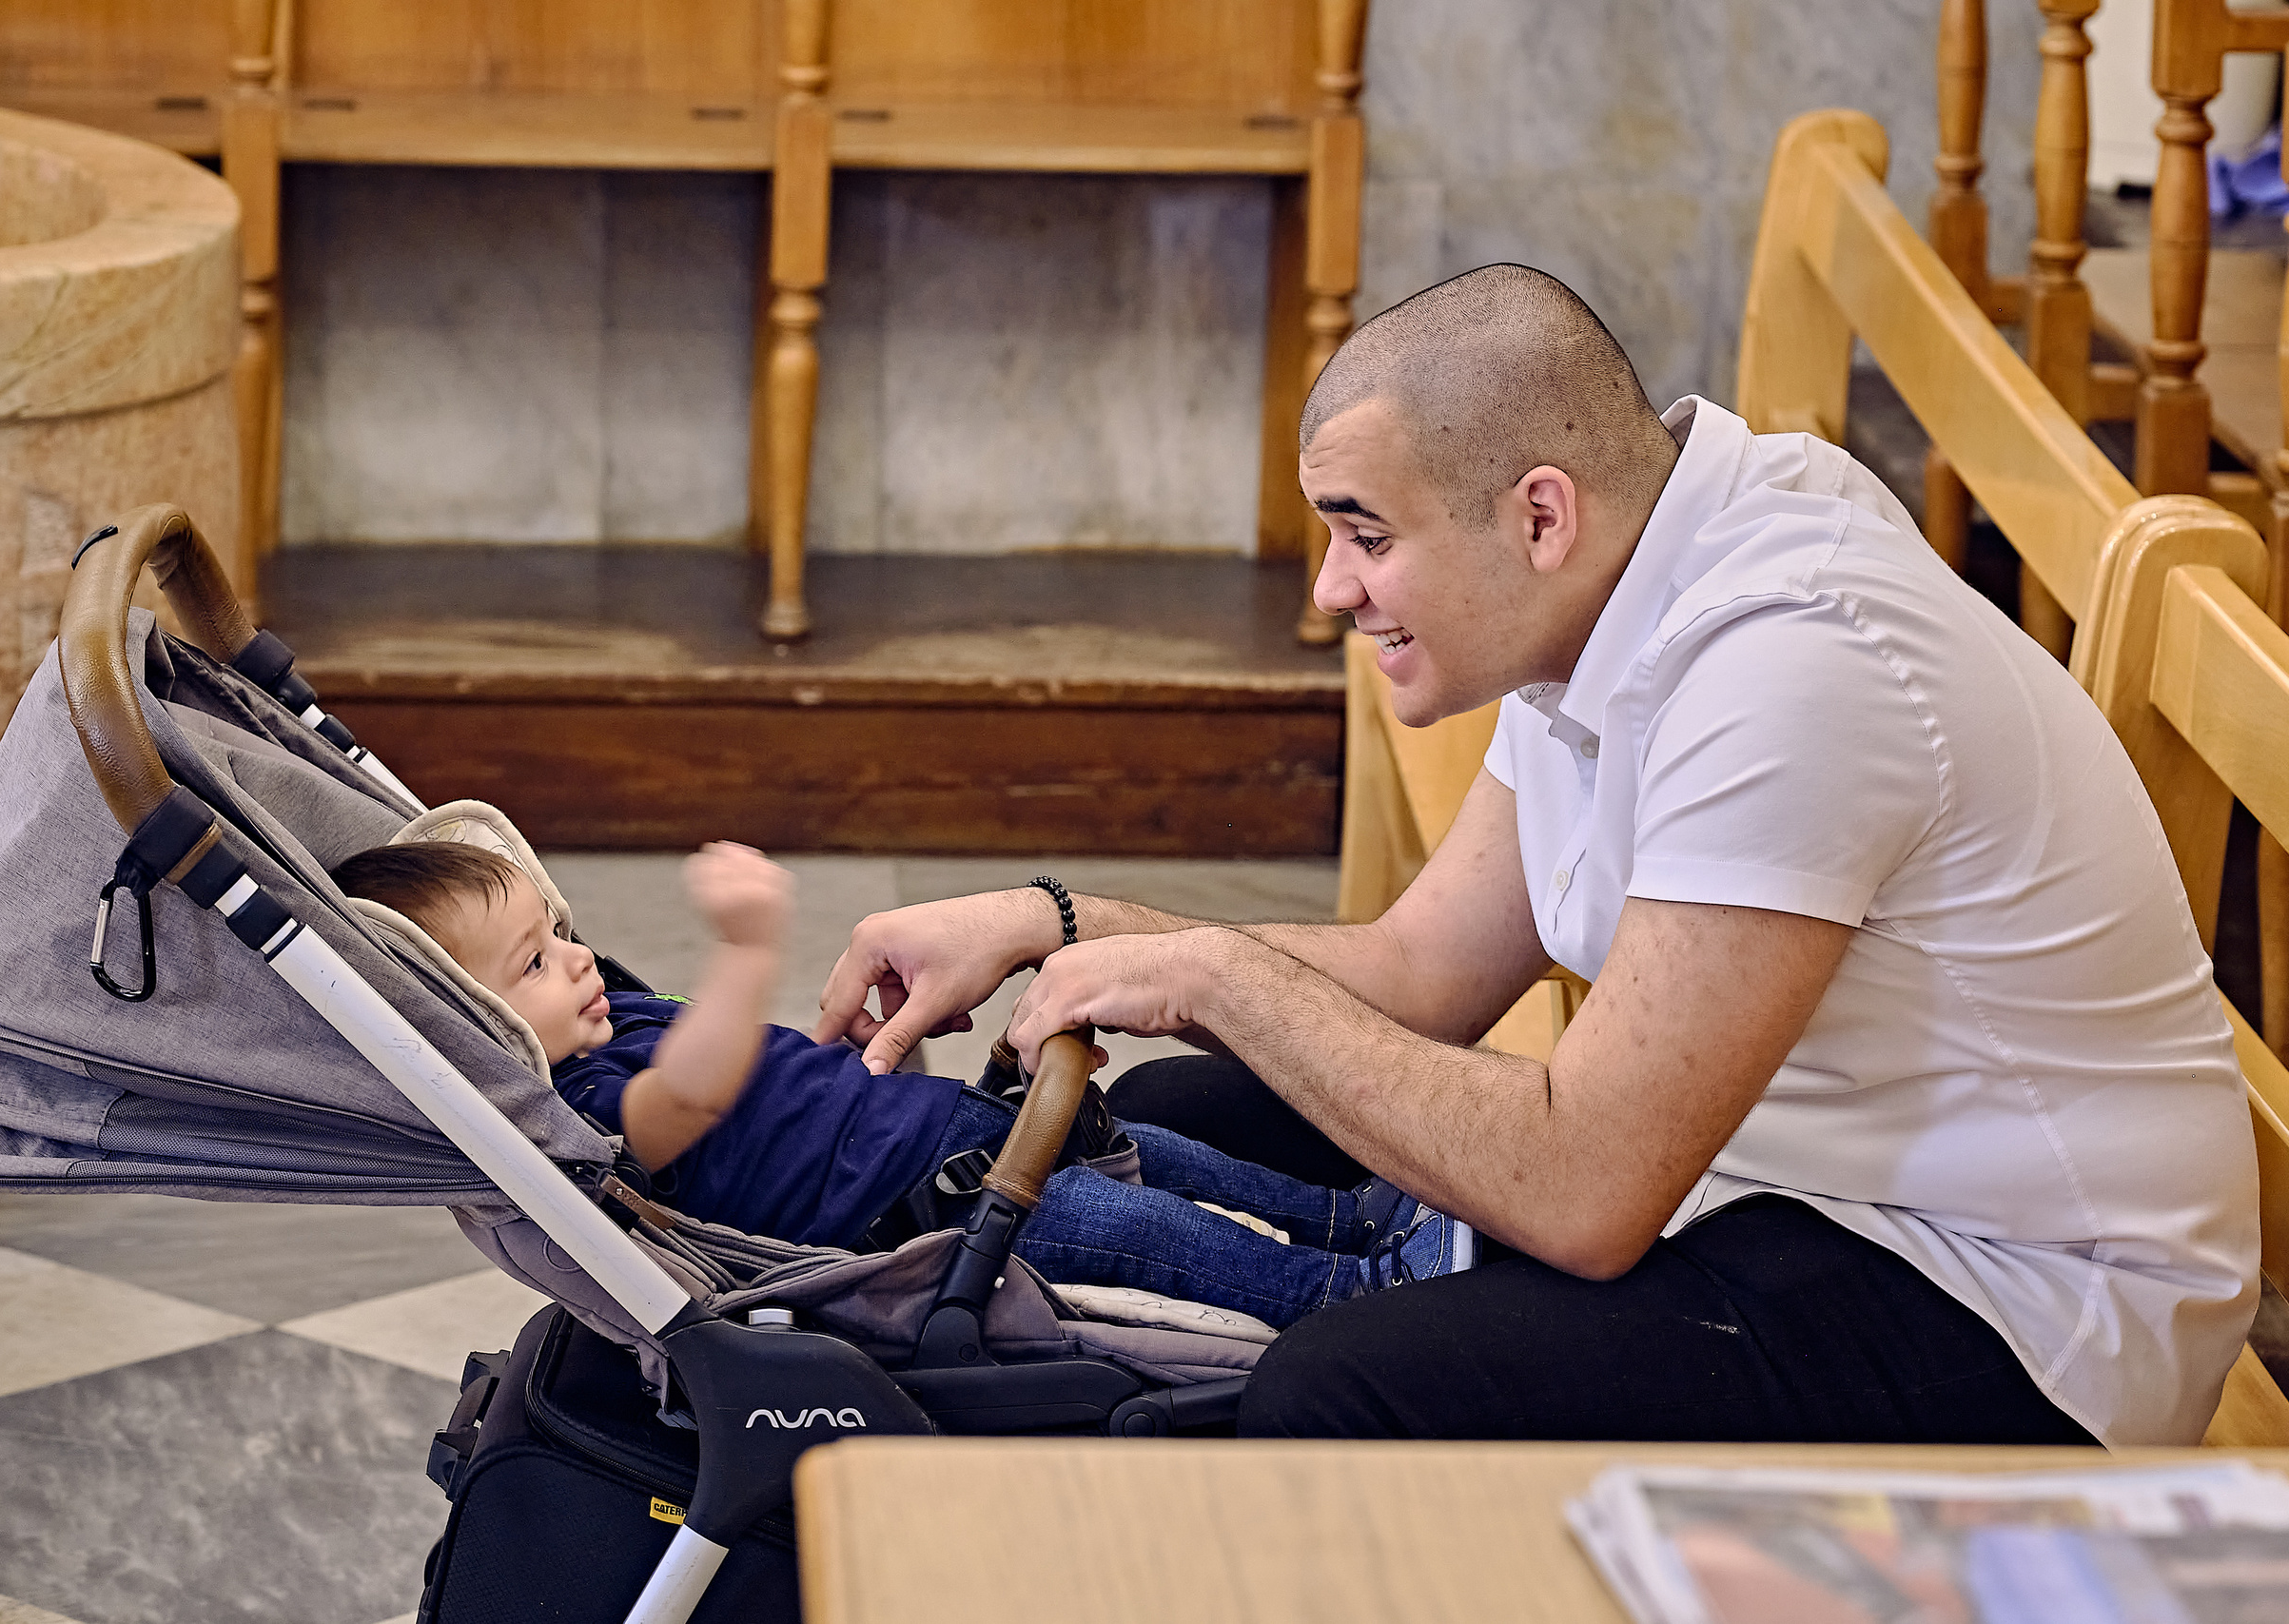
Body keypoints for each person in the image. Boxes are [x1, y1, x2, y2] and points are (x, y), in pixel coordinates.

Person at [811, 264, 2259, 1448]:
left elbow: (1584, 1187)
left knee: (1343, 1390)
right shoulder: (1612, 582)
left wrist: (1207, 970)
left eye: (1365, 536)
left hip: (2015, 1311)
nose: (1331, 591)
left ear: (1540, 511)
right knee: (1208, 1091)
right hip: (1782, 1181)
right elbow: (1422, 970)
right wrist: (1055, 921)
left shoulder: (1793, 671)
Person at [327, 837, 1477, 1328]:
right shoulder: (581, 1117)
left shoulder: (600, 1014)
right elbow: (699, 1087)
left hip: (947, 1131)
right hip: (935, 1216)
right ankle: (1343, 1297)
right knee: (1150, 1232)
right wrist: (743, 950)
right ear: (467, 1026)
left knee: (1164, 1152)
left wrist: (875, 1059)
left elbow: (779, 1096)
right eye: (532, 963)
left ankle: (1353, 1215)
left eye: (560, 930)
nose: (575, 958)